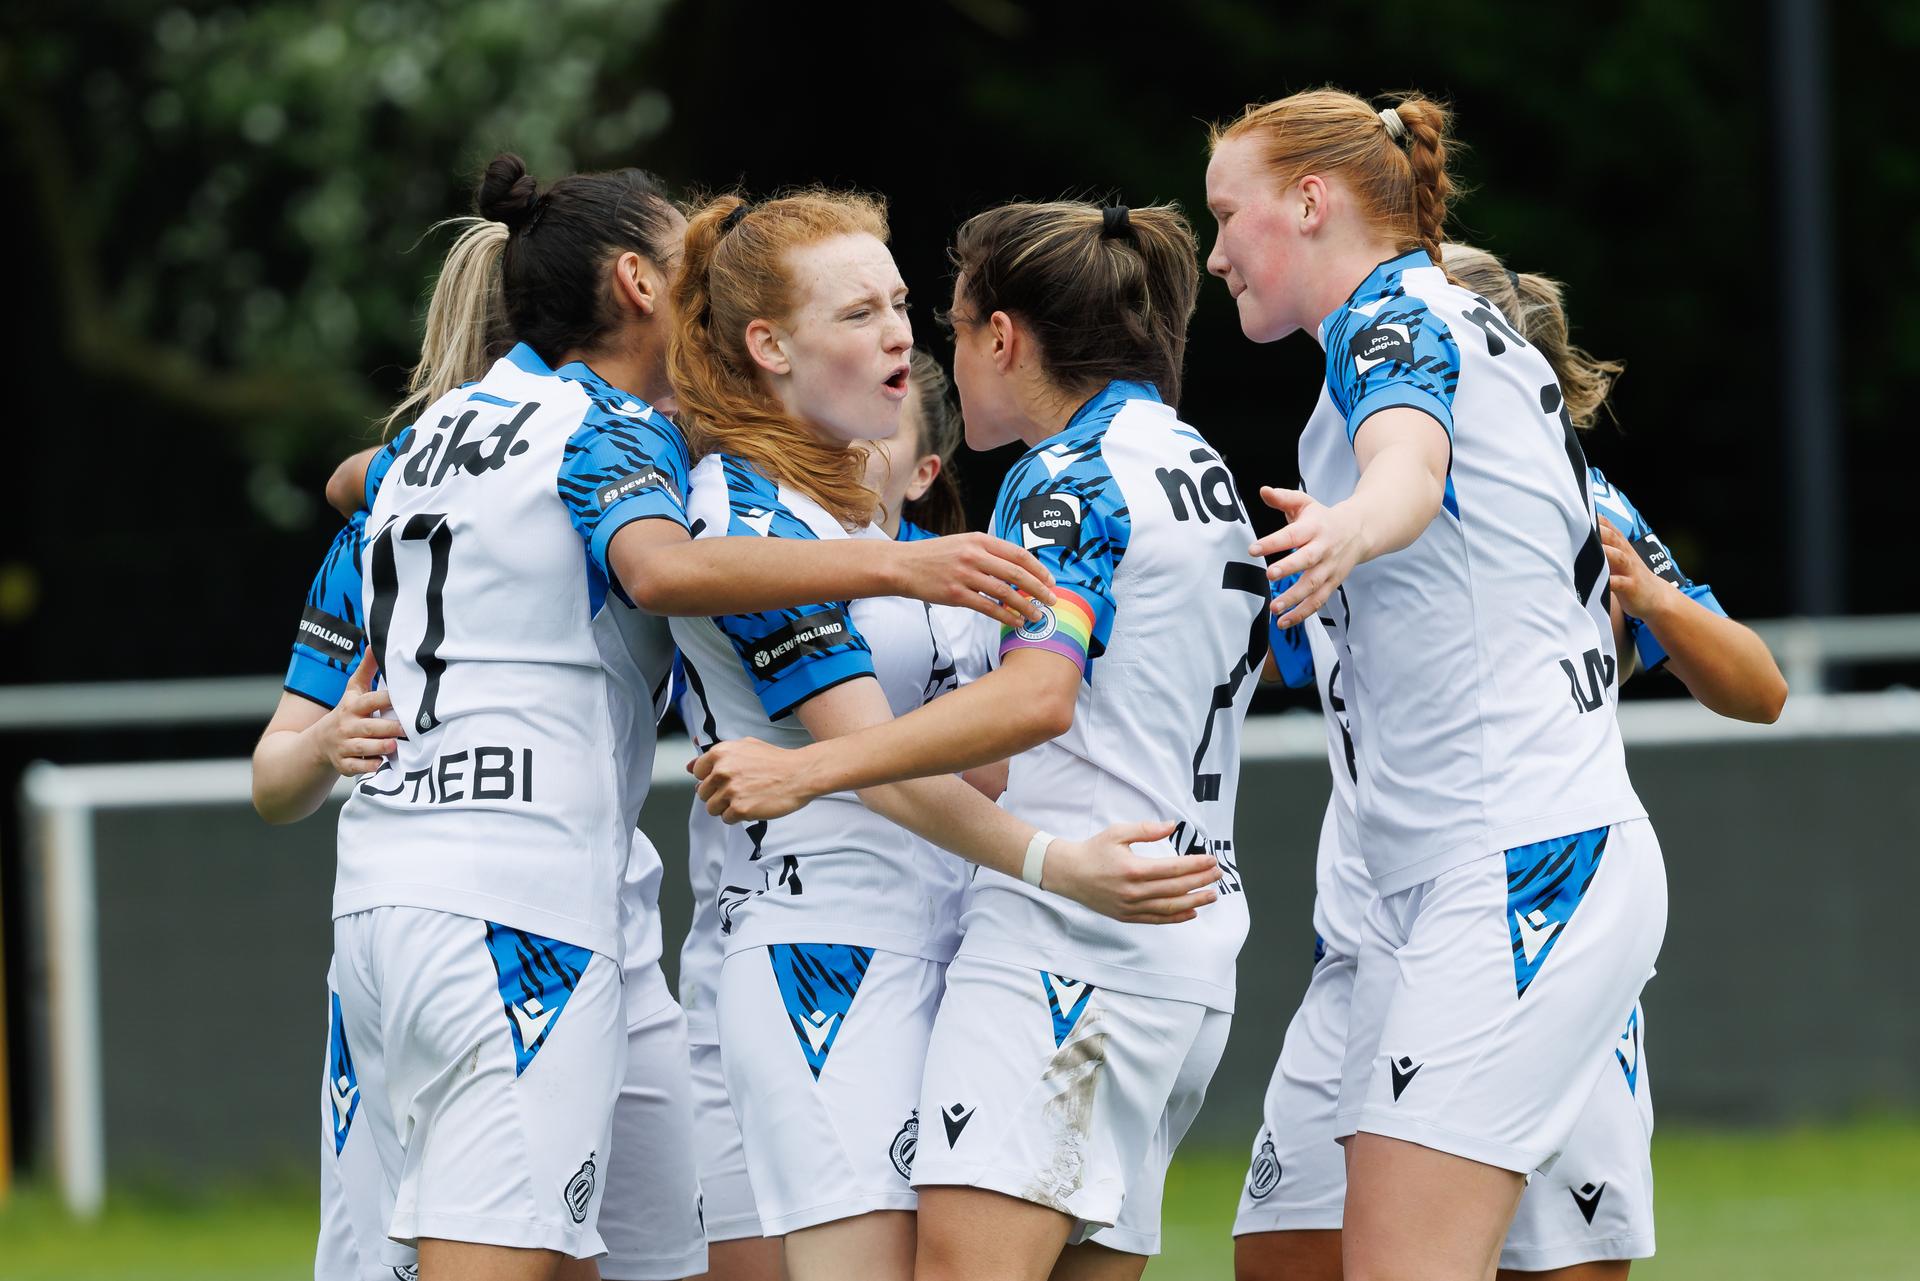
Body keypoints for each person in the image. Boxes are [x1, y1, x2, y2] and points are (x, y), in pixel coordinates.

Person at [690, 197, 1259, 1281]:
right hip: (1177, 925)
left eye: (926, 315)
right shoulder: (1197, 465)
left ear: (1003, 337)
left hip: (1074, 938)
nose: (917, 344)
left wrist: (810, 767)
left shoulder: (1061, 479)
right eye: (869, 311)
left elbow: (1032, 704)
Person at [1205, 91, 1667, 1281]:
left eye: (1225, 215)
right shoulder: (1437, 318)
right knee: (1287, 1253)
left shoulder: (1391, 319)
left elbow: (1410, 465)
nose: (1213, 255)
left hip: (1518, 866)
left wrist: (1358, 526)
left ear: (1310, 204)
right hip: (1409, 887)